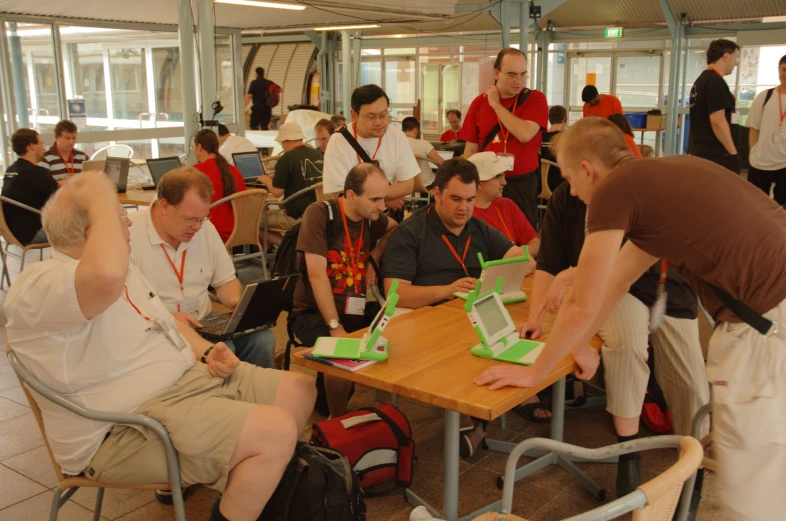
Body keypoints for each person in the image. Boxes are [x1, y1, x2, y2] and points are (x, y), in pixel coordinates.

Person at [475, 117, 786, 521]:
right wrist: (568, 341)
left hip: (764, 329)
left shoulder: (615, 189)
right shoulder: (664, 177)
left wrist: (536, 372)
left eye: (569, 178)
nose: (571, 190)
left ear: (587, 169)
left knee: (753, 481)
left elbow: (584, 303)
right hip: (771, 315)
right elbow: (612, 286)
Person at [5, 171, 316, 521]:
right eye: (120, 220)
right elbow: (103, 277)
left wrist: (205, 351)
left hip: (184, 385)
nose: (128, 228)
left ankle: (252, 497)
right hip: (124, 429)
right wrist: (95, 193)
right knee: (276, 431)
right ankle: (244, 498)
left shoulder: (123, 273)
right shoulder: (40, 287)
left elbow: (166, 323)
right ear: (94, 235)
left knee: (300, 388)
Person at [517, 177, 708, 500]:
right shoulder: (566, 197)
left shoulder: (636, 191)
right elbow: (549, 260)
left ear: (586, 166)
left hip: (663, 288)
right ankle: (628, 454)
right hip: (608, 288)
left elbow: (622, 261)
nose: (567, 184)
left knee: (690, 381)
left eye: (566, 170)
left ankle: (695, 467)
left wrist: (569, 282)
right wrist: (535, 316)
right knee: (627, 342)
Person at [383, 158, 528, 457]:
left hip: (470, 310)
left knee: (523, 326)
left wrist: (500, 274)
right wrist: (447, 290)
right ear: (436, 194)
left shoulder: (478, 227)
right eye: (456, 199)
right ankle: (474, 420)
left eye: (471, 200)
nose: (464, 208)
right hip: (427, 314)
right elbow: (394, 292)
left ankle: (488, 411)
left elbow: (521, 259)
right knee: (477, 341)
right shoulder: (411, 233)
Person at [128, 167, 277, 369]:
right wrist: (165, 317)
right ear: (164, 206)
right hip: (159, 328)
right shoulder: (129, 235)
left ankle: (255, 394)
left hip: (204, 322)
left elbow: (225, 280)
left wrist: (235, 301)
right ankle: (227, 397)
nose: (198, 227)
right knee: (226, 350)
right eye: (191, 219)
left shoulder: (204, 228)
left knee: (263, 339)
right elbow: (122, 306)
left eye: (203, 218)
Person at [288, 163, 397, 418]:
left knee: (397, 336)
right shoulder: (320, 213)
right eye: (375, 199)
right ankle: (335, 421)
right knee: (340, 356)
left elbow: (394, 227)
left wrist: (375, 256)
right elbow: (316, 275)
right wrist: (335, 326)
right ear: (351, 196)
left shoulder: (370, 217)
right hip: (313, 313)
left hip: (352, 310)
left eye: (384, 198)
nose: (382, 206)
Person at [460, 47, 548, 228]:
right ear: (496, 73)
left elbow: (524, 134)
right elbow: (470, 150)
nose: (519, 82)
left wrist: (496, 105)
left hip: (521, 183)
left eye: (523, 75)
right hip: (486, 184)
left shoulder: (535, 99)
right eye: (512, 75)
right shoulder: (479, 103)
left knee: (521, 234)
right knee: (485, 232)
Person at [322, 85, 419, 211]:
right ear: (354, 115)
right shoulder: (338, 140)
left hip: (387, 217)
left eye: (384, 115)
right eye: (371, 117)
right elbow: (339, 193)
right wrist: (382, 200)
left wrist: (370, 199)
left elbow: (407, 185)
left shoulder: (397, 136)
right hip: (354, 219)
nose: (379, 122)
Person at [256, 122, 324, 246]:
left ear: (287, 139)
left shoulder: (287, 158)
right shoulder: (316, 153)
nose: (282, 146)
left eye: (281, 142)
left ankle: (289, 250)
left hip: (297, 216)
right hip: (318, 214)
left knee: (255, 221)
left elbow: (277, 192)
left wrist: (266, 179)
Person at [468, 151, 540, 256]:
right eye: (498, 177)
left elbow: (536, 244)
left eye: (503, 176)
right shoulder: (465, 214)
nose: (504, 182)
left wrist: (513, 254)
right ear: (479, 183)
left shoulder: (507, 205)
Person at [688, 38, 741, 174]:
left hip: (703, 151)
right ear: (725, 56)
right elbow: (717, 121)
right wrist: (733, 153)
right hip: (715, 154)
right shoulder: (714, 82)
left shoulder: (701, 80)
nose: (735, 64)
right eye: (735, 58)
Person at [1, 128, 57, 245]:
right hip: (32, 233)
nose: (44, 148)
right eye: (41, 144)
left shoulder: (11, 170)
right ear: (32, 146)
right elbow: (60, 200)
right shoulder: (38, 173)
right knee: (86, 227)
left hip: (12, 233)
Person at [744, 54, 786, 203]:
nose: (785, 74)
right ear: (778, 71)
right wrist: (753, 152)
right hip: (760, 162)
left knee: (782, 209)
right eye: (783, 69)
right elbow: (754, 128)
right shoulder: (764, 96)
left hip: (784, 163)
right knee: (758, 206)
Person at [193, 129, 247, 241]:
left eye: (193, 148)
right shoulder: (233, 170)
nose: (193, 152)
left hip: (212, 230)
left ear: (199, 147)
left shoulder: (196, 173)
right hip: (239, 229)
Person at [402, 116, 445, 188]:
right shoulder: (423, 144)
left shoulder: (396, 144)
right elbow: (441, 162)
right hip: (426, 184)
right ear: (415, 130)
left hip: (403, 184)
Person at [541, 105, 567, 192]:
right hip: (559, 185)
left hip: (539, 184)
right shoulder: (566, 138)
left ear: (549, 119)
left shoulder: (539, 137)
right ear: (564, 119)